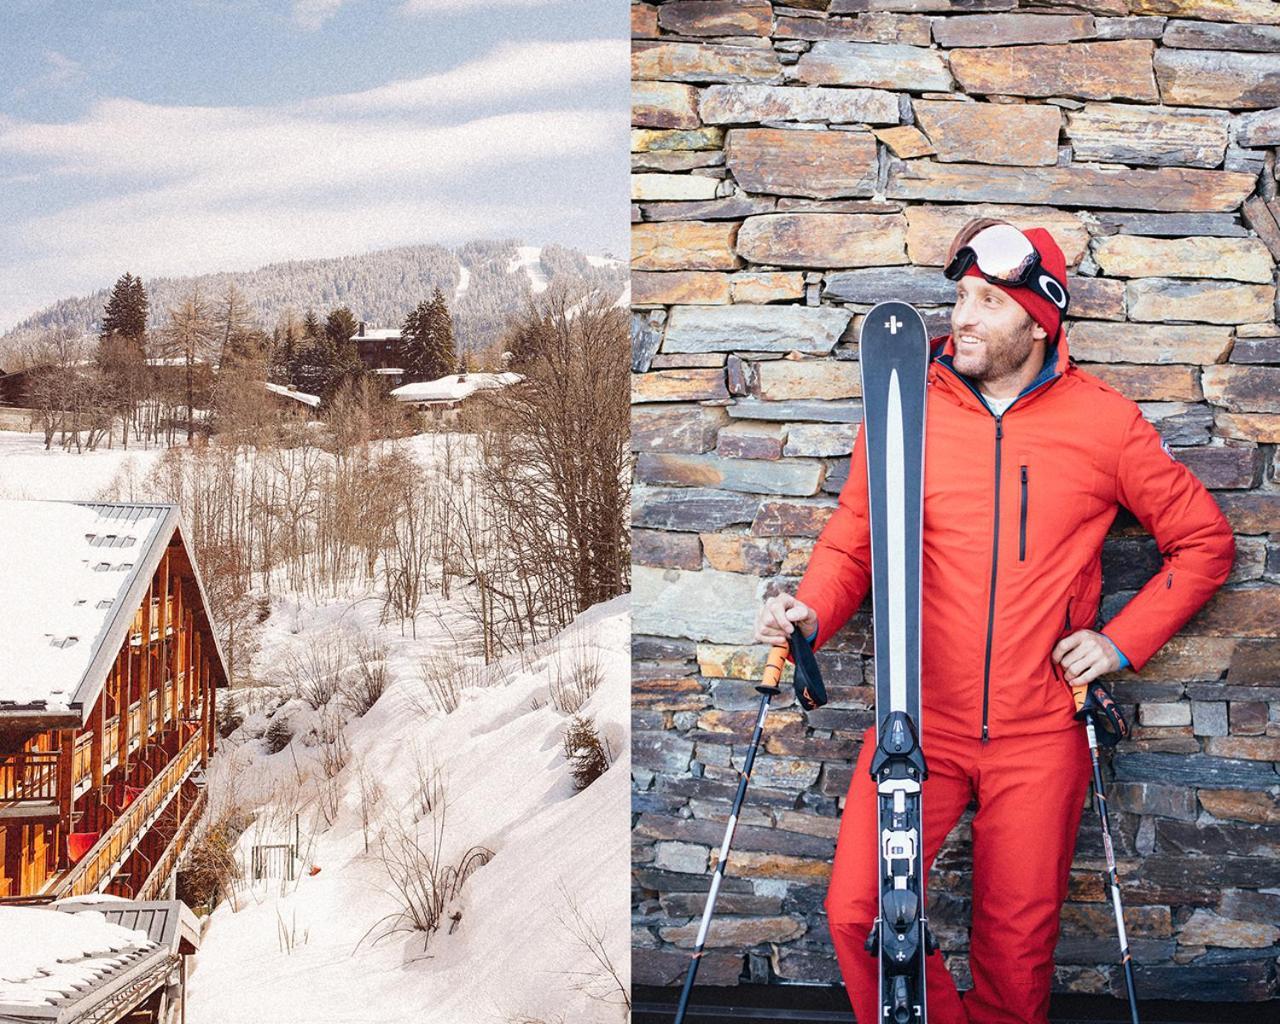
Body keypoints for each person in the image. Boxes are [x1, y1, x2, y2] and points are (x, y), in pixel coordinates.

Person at [754, 219, 1235, 1024]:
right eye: (959, 297)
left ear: (1038, 321)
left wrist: (1119, 642)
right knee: (859, 915)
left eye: (986, 301)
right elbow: (851, 544)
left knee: (1015, 961)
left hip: (1040, 732)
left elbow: (1204, 543)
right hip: (918, 724)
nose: (961, 317)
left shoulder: (1104, 425)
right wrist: (811, 612)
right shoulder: (908, 407)